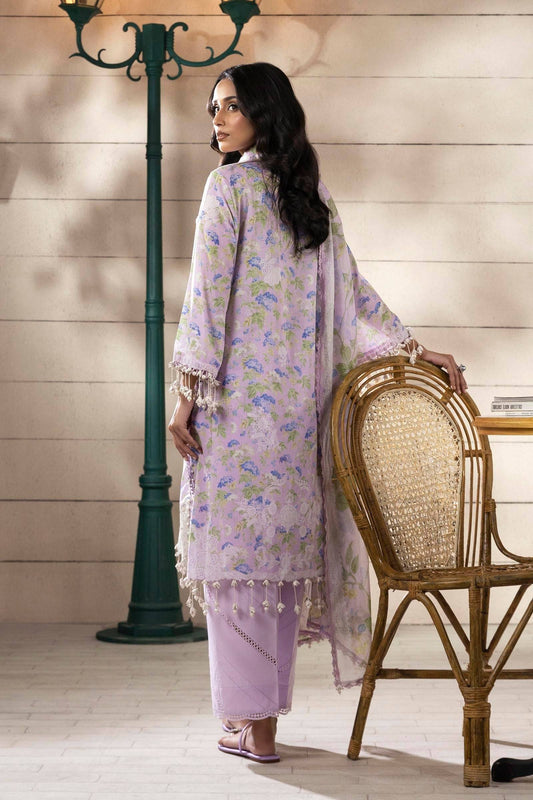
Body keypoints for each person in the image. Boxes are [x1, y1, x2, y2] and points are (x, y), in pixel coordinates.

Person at [168, 62, 467, 763]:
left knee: (239, 570)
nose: (218, 119)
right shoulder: (309, 195)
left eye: (231, 106)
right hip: (299, 423)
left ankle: (252, 725)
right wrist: (414, 348)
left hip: (236, 414)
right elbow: (355, 298)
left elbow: (206, 299)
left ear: (265, 111)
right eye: (214, 108)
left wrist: (186, 396)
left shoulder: (228, 188)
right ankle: (261, 722)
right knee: (272, 567)